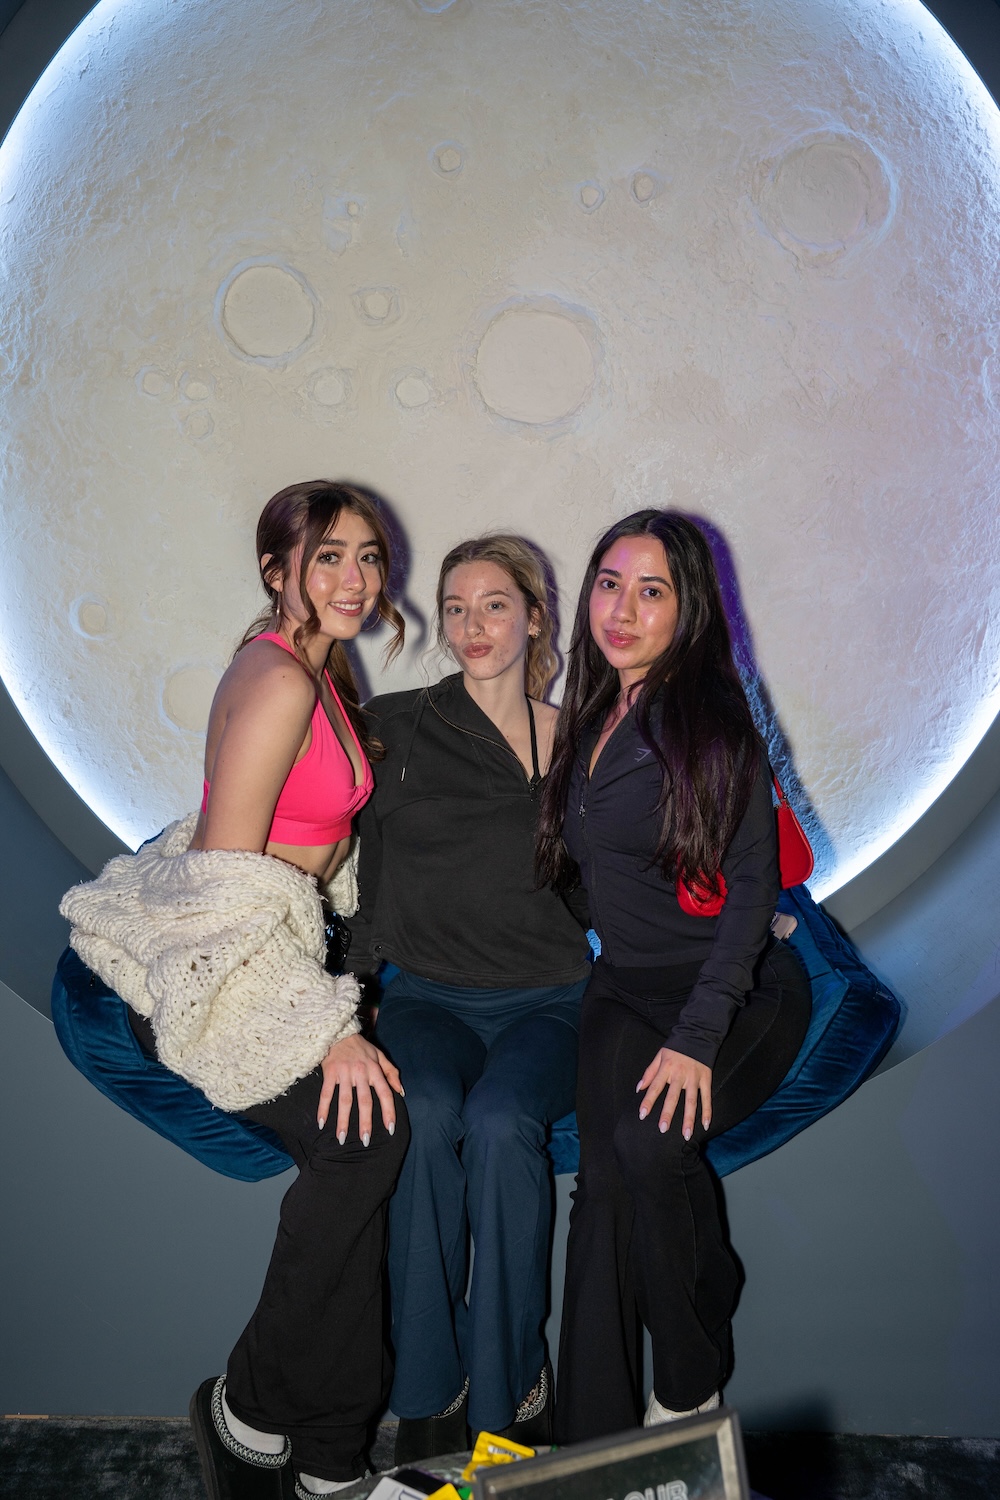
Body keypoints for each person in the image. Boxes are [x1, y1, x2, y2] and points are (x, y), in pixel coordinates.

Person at [60, 481, 410, 1499]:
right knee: (367, 1136)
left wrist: (352, 969)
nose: (356, 577)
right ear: (275, 569)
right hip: (223, 968)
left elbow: (307, 853)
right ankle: (248, 1409)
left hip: (277, 947)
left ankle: (330, 1466)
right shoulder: (281, 680)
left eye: (369, 556)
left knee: (367, 1142)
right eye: (329, 555)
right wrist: (328, 1025)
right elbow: (220, 887)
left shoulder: (314, 661)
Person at [536, 509, 812, 1441]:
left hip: (732, 995)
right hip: (623, 989)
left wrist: (696, 1040)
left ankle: (688, 1392)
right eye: (609, 583)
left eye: (650, 591)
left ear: (688, 607)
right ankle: (591, 1443)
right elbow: (589, 874)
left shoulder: (710, 725)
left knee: (651, 1149)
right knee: (602, 1193)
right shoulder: (590, 714)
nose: (622, 609)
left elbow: (752, 890)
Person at [346, 535, 592, 1461]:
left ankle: (509, 1388)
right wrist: (349, 1001)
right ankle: (427, 1388)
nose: (473, 625)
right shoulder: (394, 729)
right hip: (428, 998)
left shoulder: (577, 739)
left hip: (550, 1001)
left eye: (494, 604)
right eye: (455, 607)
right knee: (422, 1108)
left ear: (534, 615)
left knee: (498, 1122)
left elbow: (612, 884)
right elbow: (365, 879)